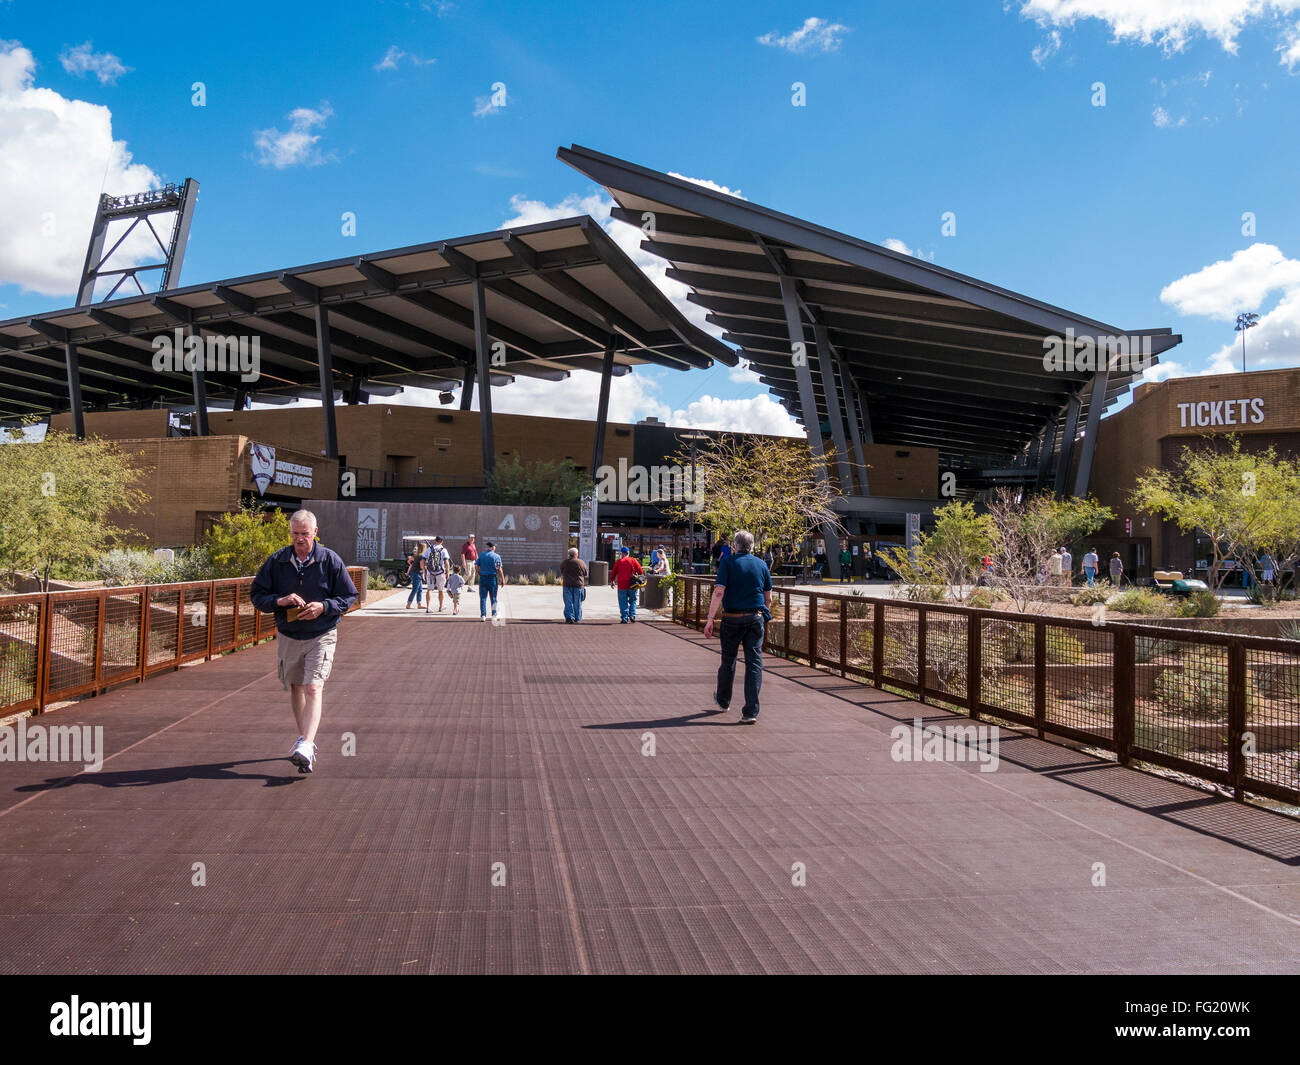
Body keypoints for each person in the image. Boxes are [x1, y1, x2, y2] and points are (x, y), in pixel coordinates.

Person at [250, 509, 358, 774]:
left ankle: (307, 745)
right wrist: (280, 601)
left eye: (305, 534)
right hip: (289, 634)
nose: (299, 539)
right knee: (296, 687)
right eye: (295, 534)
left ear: (315, 533)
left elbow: (349, 595)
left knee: (313, 687)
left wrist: (324, 606)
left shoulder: (330, 560)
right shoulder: (277, 562)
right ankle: (304, 741)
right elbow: (257, 595)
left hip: (321, 633)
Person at [703, 530, 772, 725]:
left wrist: (710, 619)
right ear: (751, 546)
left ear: (735, 545)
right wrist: (763, 615)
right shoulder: (762, 564)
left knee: (728, 660)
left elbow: (719, 592)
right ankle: (750, 711)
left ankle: (724, 701)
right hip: (755, 618)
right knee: (754, 662)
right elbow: (769, 598)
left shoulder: (728, 562)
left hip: (732, 618)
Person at [610, 545, 644, 623]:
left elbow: (613, 573)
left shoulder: (619, 562)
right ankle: (632, 615)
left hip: (622, 585)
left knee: (623, 601)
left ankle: (624, 618)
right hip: (633, 585)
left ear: (622, 553)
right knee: (633, 600)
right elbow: (640, 571)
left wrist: (612, 581)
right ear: (628, 553)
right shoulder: (633, 560)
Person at [476, 540, 504, 621]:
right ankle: (494, 614)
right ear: (492, 547)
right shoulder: (496, 556)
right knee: (493, 598)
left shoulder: (481, 555)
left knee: (483, 598)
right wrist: (502, 579)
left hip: (483, 578)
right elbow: (499, 569)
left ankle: (483, 615)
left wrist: (479, 573)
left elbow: (476, 566)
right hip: (492, 579)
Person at [423, 535, 451, 613]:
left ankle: (428, 607)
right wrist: (447, 572)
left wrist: (424, 571)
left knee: (429, 589)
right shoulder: (443, 550)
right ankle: (441, 606)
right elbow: (446, 562)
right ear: (441, 542)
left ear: (435, 541)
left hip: (430, 571)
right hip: (440, 572)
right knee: (441, 590)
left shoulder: (429, 549)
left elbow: (423, 560)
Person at [561, 547, 588, 623]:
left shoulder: (565, 562)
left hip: (567, 585)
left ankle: (569, 618)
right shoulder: (581, 562)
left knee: (568, 602)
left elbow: (561, 571)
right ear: (576, 554)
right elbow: (585, 573)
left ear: (570, 554)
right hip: (578, 585)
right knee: (577, 603)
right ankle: (577, 618)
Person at [405, 542, 425, 609]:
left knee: (419, 589)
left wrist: (411, 564)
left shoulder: (416, 555)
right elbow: (422, 567)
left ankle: (419, 604)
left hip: (414, 573)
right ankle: (408, 604)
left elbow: (409, 561)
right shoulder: (421, 556)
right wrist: (426, 567)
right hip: (417, 573)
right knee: (415, 589)